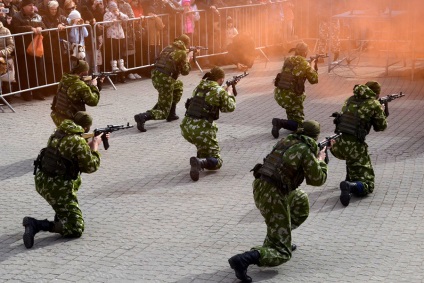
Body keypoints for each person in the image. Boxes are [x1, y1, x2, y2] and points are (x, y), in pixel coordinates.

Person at [228, 120, 329, 283]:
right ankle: (244, 259)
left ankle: (282, 236)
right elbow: (318, 179)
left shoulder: (286, 141)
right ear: (314, 135)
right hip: (273, 195)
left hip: (262, 187)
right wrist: (321, 160)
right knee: (283, 253)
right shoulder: (305, 150)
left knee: (300, 200)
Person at [24, 111, 106, 249]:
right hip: (57, 187)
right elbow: (91, 166)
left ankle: (62, 213)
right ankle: (36, 224)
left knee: (73, 182)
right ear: (86, 128)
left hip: (43, 180)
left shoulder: (58, 133)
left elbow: (67, 154)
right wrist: (95, 146)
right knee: (76, 228)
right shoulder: (78, 141)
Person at [330, 81, 387, 206]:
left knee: (352, 156)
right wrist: (381, 110)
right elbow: (381, 127)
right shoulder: (374, 104)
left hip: (337, 145)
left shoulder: (350, 99)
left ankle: (350, 177)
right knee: (368, 185)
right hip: (354, 149)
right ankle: (350, 186)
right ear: (376, 93)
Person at [180, 66, 236, 181]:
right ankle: (201, 162)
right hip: (201, 130)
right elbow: (229, 108)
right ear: (221, 79)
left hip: (186, 128)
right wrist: (229, 92)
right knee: (218, 162)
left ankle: (200, 159)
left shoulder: (198, 87)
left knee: (204, 145)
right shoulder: (219, 91)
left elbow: (208, 98)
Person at [134, 34, 192, 132]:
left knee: (178, 86)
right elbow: (185, 71)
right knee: (163, 111)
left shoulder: (168, 48)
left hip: (156, 76)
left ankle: (171, 114)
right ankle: (143, 116)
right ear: (186, 44)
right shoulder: (182, 52)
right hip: (165, 80)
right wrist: (188, 58)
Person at [271, 42, 318, 138]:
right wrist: (312, 65)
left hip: (280, 94)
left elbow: (294, 71)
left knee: (293, 117)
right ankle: (279, 122)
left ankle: (289, 122)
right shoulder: (305, 64)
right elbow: (314, 80)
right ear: (305, 52)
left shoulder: (288, 60)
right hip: (292, 97)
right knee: (300, 126)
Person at [11, 0, 47, 101]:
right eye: (29, 5)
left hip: (36, 48)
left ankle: (37, 92)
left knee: (37, 71)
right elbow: (16, 28)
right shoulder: (16, 17)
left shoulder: (38, 16)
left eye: (33, 5)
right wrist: (30, 28)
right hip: (22, 49)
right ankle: (26, 93)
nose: (32, 7)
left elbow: (45, 28)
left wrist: (41, 28)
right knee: (24, 72)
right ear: (23, 7)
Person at [50, 59, 100, 127]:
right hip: (70, 120)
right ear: (83, 72)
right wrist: (94, 86)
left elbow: (76, 90)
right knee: (86, 123)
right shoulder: (80, 85)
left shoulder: (64, 79)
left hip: (58, 115)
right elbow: (93, 101)